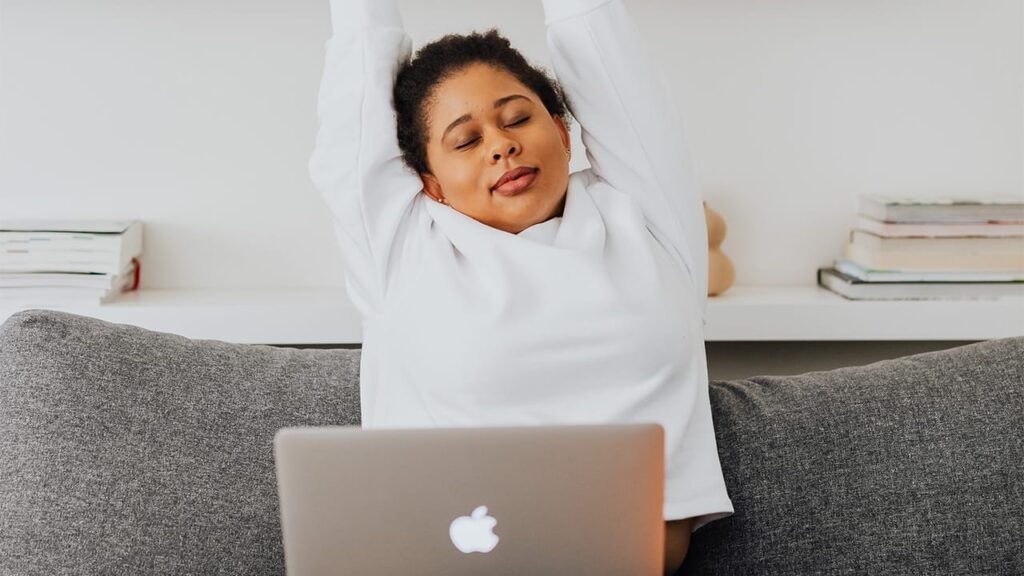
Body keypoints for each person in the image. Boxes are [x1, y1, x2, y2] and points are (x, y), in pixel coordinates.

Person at [308, 0, 734, 572]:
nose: (500, 145)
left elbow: (605, 51)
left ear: (561, 130)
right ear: (429, 183)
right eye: (465, 141)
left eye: (517, 119)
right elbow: (356, 89)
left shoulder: (649, 221)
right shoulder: (404, 253)